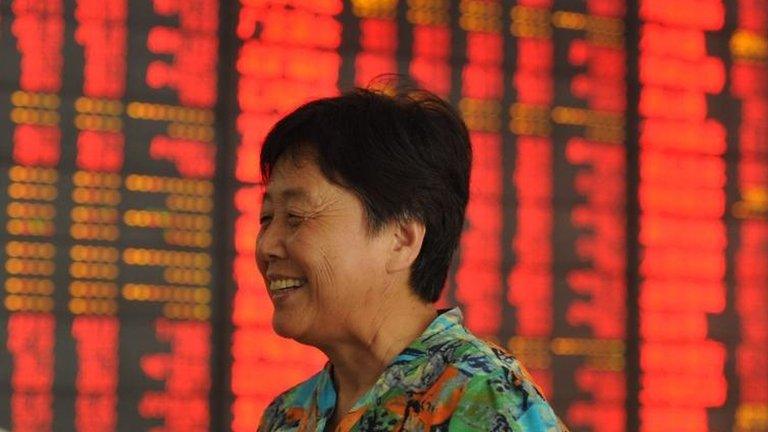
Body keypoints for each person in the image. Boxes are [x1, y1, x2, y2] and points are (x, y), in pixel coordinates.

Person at [256, 85, 566, 431]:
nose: (267, 245)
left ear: (401, 239)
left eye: (295, 216)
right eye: (266, 218)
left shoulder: (484, 396)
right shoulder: (286, 417)